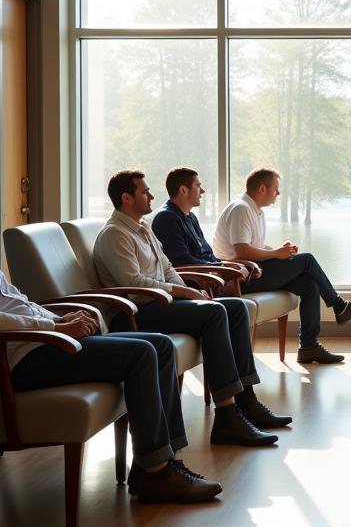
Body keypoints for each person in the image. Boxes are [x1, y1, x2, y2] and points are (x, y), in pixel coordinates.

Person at [0, 166, 221, 505]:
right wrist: (56, 327)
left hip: (41, 343)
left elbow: (20, 305)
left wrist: (60, 315)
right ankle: (157, 473)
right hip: (21, 360)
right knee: (142, 354)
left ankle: (162, 463)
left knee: (160, 346)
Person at [94, 169, 291, 447]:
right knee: (214, 312)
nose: (151, 195)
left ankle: (246, 399)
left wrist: (193, 293)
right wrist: (184, 291)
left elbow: (167, 267)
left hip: (162, 304)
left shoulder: (143, 228)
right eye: (144, 192)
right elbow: (133, 283)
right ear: (127, 198)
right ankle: (226, 416)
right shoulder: (114, 235)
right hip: (137, 314)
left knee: (235, 308)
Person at [211, 167, 351, 365]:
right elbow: (241, 250)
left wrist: (281, 251)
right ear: (262, 189)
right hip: (240, 278)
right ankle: (340, 306)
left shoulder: (255, 211)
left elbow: (256, 246)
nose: (278, 193)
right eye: (276, 189)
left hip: (254, 271)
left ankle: (308, 347)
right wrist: (275, 254)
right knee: (307, 260)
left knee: (309, 285)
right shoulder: (241, 209)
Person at [151, 166, 260, 282]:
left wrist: (230, 265)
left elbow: (207, 253)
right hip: (199, 281)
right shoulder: (166, 218)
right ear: (184, 190)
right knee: (275, 269)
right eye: (198, 186)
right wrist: (223, 268)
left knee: (257, 270)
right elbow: (182, 260)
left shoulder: (191, 217)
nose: (202, 191)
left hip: (212, 274)